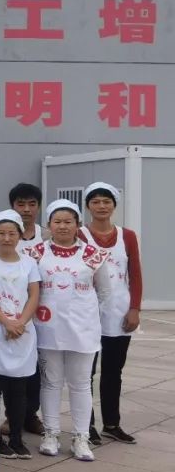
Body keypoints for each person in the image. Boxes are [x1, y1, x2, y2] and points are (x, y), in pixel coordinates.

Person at [30, 199, 111, 461]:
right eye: (57, 221)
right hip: (47, 329)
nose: (63, 226)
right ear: (49, 225)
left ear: (78, 224)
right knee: (50, 382)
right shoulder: (36, 253)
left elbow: (104, 292)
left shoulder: (93, 254)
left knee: (80, 384)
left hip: (83, 331)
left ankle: (81, 437)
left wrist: (82, 311)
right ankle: (51, 434)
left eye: (68, 221)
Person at [80, 181, 142, 445]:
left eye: (106, 201)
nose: (101, 206)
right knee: (85, 373)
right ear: (88, 206)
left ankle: (112, 423)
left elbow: (135, 274)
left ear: (114, 205)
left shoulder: (127, 235)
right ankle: (87, 425)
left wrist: (134, 308)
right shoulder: (80, 234)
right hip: (87, 313)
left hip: (119, 312)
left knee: (113, 371)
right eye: (95, 201)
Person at [0, 210, 40, 459]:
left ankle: (16, 437)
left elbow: (34, 294)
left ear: (19, 235)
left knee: (19, 388)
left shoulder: (29, 263)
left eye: (12, 233)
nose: (6, 238)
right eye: (1, 233)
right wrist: (6, 321)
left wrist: (20, 322)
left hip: (23, 331)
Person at [8, 182, 46, 437]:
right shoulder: (4, 235)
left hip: (45, 314)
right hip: (11, 316)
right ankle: (12, 416)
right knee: (10, 368)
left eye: (32, 204)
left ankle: (31, 414)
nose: (26, 209)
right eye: (20, 204)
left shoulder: (49, 235)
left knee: (38, 369)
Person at [10, 183, 46, 252]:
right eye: (21, 205)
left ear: (39, 207)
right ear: (12, 207)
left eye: (32, 204)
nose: (26, 209)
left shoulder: (48, 237)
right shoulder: (0, 235)